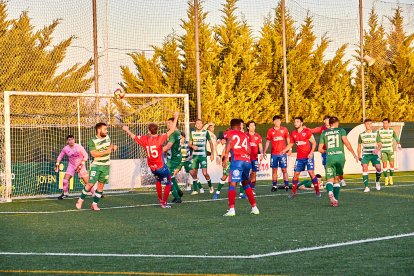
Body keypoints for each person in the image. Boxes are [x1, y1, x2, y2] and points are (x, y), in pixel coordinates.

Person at [122, 111, 179, 208]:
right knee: (168, 182)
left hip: (152, 167)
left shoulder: (145, 139)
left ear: (149, 130)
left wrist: (127, 130)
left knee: (158, 180)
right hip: (161, 166)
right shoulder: (160, 138)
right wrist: (176, 117)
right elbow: (173, 129)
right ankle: (164, 203)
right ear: (157, 130)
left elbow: (133, 136)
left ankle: (160, 199)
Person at [222, 119, 259, 216]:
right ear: (239, 126)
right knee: (246, 184)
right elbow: (249, 150)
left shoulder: (229, 132)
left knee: (232, 184)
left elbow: (229, 142)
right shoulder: (245, 135)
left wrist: (225, 156)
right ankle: (254, 208)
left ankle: (231, 209)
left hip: (237, 161)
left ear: (232, 126)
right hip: (247, 161)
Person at [76, 123, 117, 211]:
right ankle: (80, 200)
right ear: (99, 130)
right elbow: (94, 154)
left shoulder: (107, 137)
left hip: (106, 166)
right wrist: (107, 151)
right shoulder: (92, 140)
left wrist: (113, 147)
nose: (107, 131)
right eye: (105, 129)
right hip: (96, 166)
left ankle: (94, 204)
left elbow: (110, 146)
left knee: (101, 185)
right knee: (90, 184)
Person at [319, 117, 358, 206]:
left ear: (330, 123)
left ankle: (329, 192)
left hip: (330, 157)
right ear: (337, 123)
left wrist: (327, 151)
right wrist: (354, 154)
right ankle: (335, 201)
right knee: (336, 179)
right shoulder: (341, 130)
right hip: (340, 157)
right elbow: (346, 142)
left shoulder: (324, 133)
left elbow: (320, 149)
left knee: (329, 179)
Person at [280, 117, 320, 198]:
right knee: (296, 174)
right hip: (299, 158)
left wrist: (311, 153)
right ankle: (293, 192)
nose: (295, 123)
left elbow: (314, 143)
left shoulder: (307, 132)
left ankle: (317, 191)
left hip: (308, 156)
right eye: (295, 122)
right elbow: (291, 144)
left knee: (311, 172)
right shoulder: (293, 133)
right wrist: (284, 150)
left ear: (301, 123)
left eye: (297, 122)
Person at [309, 115, 347, 188]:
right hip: (325, 152)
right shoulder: (322, 129)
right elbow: (313, 130)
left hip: (336, 151)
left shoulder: (336, 129)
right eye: (326, 120)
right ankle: (330, 181)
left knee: (338, 166)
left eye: (329, 120)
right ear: (324, 121)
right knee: (326, 166)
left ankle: (341, 179)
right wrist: (306, 129)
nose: (328, 121)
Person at [54, 135, 90, 199]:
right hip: (71, 165)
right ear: (67, 141)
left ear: (74, 140)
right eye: (69, 140)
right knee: (65, 180)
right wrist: (57, 164)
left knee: (87, 182)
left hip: (80, 165)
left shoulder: (79, 147)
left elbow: (86, 156)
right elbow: (60, 156)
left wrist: (81, 164)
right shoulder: (65, 148)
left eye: (72, 139)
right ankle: (65, 193)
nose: (71, 141)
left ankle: (96, 193)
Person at [263, 115, 291, 192]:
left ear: (280, 121)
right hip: (274, 154)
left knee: (284, 169)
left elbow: (288, 140)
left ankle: (286, 185)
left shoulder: (284, 129)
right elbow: (268, 141)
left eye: (279, 120)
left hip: (282, 153)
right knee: (274, 170)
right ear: (274, 122)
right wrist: (264, 151)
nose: (278, 122)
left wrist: (289, 149)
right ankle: (274, 186)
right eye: (276, 121)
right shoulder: (270, 131)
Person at [189, 119, 215, 194]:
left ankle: (210, 186)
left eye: (200, 123)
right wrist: (192, 146)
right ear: (195, 125)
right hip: (195, 156)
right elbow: (189, 144)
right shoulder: (192, 133)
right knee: (194, 173)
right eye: (197, 123)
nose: (199, 125)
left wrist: (212, 154)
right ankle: (195, 190)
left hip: (203, 156)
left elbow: (211, 143)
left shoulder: (205, 132)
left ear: (202, 125)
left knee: (205, 173)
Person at [357, 118, 382, 192]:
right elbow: (359, 146)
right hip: (365, 154)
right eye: (368, 124)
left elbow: (380, 144)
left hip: (374, 155)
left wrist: (377, 150)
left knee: (379, 169)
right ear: (365, 125)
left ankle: (377, 181)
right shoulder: (361, 135)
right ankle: (366, 187)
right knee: (364, 167)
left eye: (371, 124)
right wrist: (359, 156)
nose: (369, 125)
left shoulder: (376, 133)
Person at [163, 117, 184, 203]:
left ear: (174, 124)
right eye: (167, 123)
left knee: (166, 177)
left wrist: (158, 150)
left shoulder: (173, 134)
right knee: (171, 176)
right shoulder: (177, 132)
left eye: (169, 123)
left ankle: (177, 198)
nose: (167, 124)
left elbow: (168, 146)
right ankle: (178, 191)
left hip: (173, 159)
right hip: (175, 157)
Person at [377, 118, 402, 186]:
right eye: (384, 123)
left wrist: (399, 144)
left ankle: (390, 177)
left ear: (389, 124)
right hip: (383, 151)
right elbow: (378, 141)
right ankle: (386, 178)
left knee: (392, 165)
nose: (385, 124)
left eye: (386, 123)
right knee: (384, 165)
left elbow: (396, 138)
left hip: (390, 150)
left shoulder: (391, 131)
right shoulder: (379, 132)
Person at [246, 121, 263, 194]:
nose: (253, 127)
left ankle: (252, 189)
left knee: (254, 174)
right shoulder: (245, 135)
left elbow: (260, 146)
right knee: (247, 173)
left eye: (254, 125)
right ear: (248, 127)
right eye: (251, 126)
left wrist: (261, 153)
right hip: (247, 158)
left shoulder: (258, 136)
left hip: (255, 158)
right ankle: (246, 188)